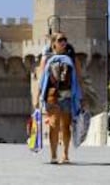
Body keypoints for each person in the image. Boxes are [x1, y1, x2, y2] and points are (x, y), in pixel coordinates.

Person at [33, 32, 83, 164]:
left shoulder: (72, 58)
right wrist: (36, 98)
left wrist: (81, 97)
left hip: (67, 96)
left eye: (65, 40)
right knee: (54, 125)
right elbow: (42, 79)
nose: (63, 42)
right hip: (52, 95)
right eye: (60, 40)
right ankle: (54, 154)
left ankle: (65, 154)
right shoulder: (47, 58)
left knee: (66, 126)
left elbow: (78, 79)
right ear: (54, 43)